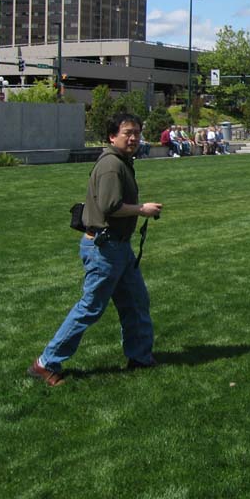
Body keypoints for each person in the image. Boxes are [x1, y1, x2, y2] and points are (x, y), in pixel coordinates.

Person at [27, 113, 163, 387]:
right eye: (127, 133)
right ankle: (46, 363)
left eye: (137, 132)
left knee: (136, 302)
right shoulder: (112, 165)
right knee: (90, 308)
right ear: (112, 136)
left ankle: (139, 356)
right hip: (105, 249)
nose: (133, 138)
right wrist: (142, 209)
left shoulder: (121, 161)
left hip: (118, 247)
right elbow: (110, 207)